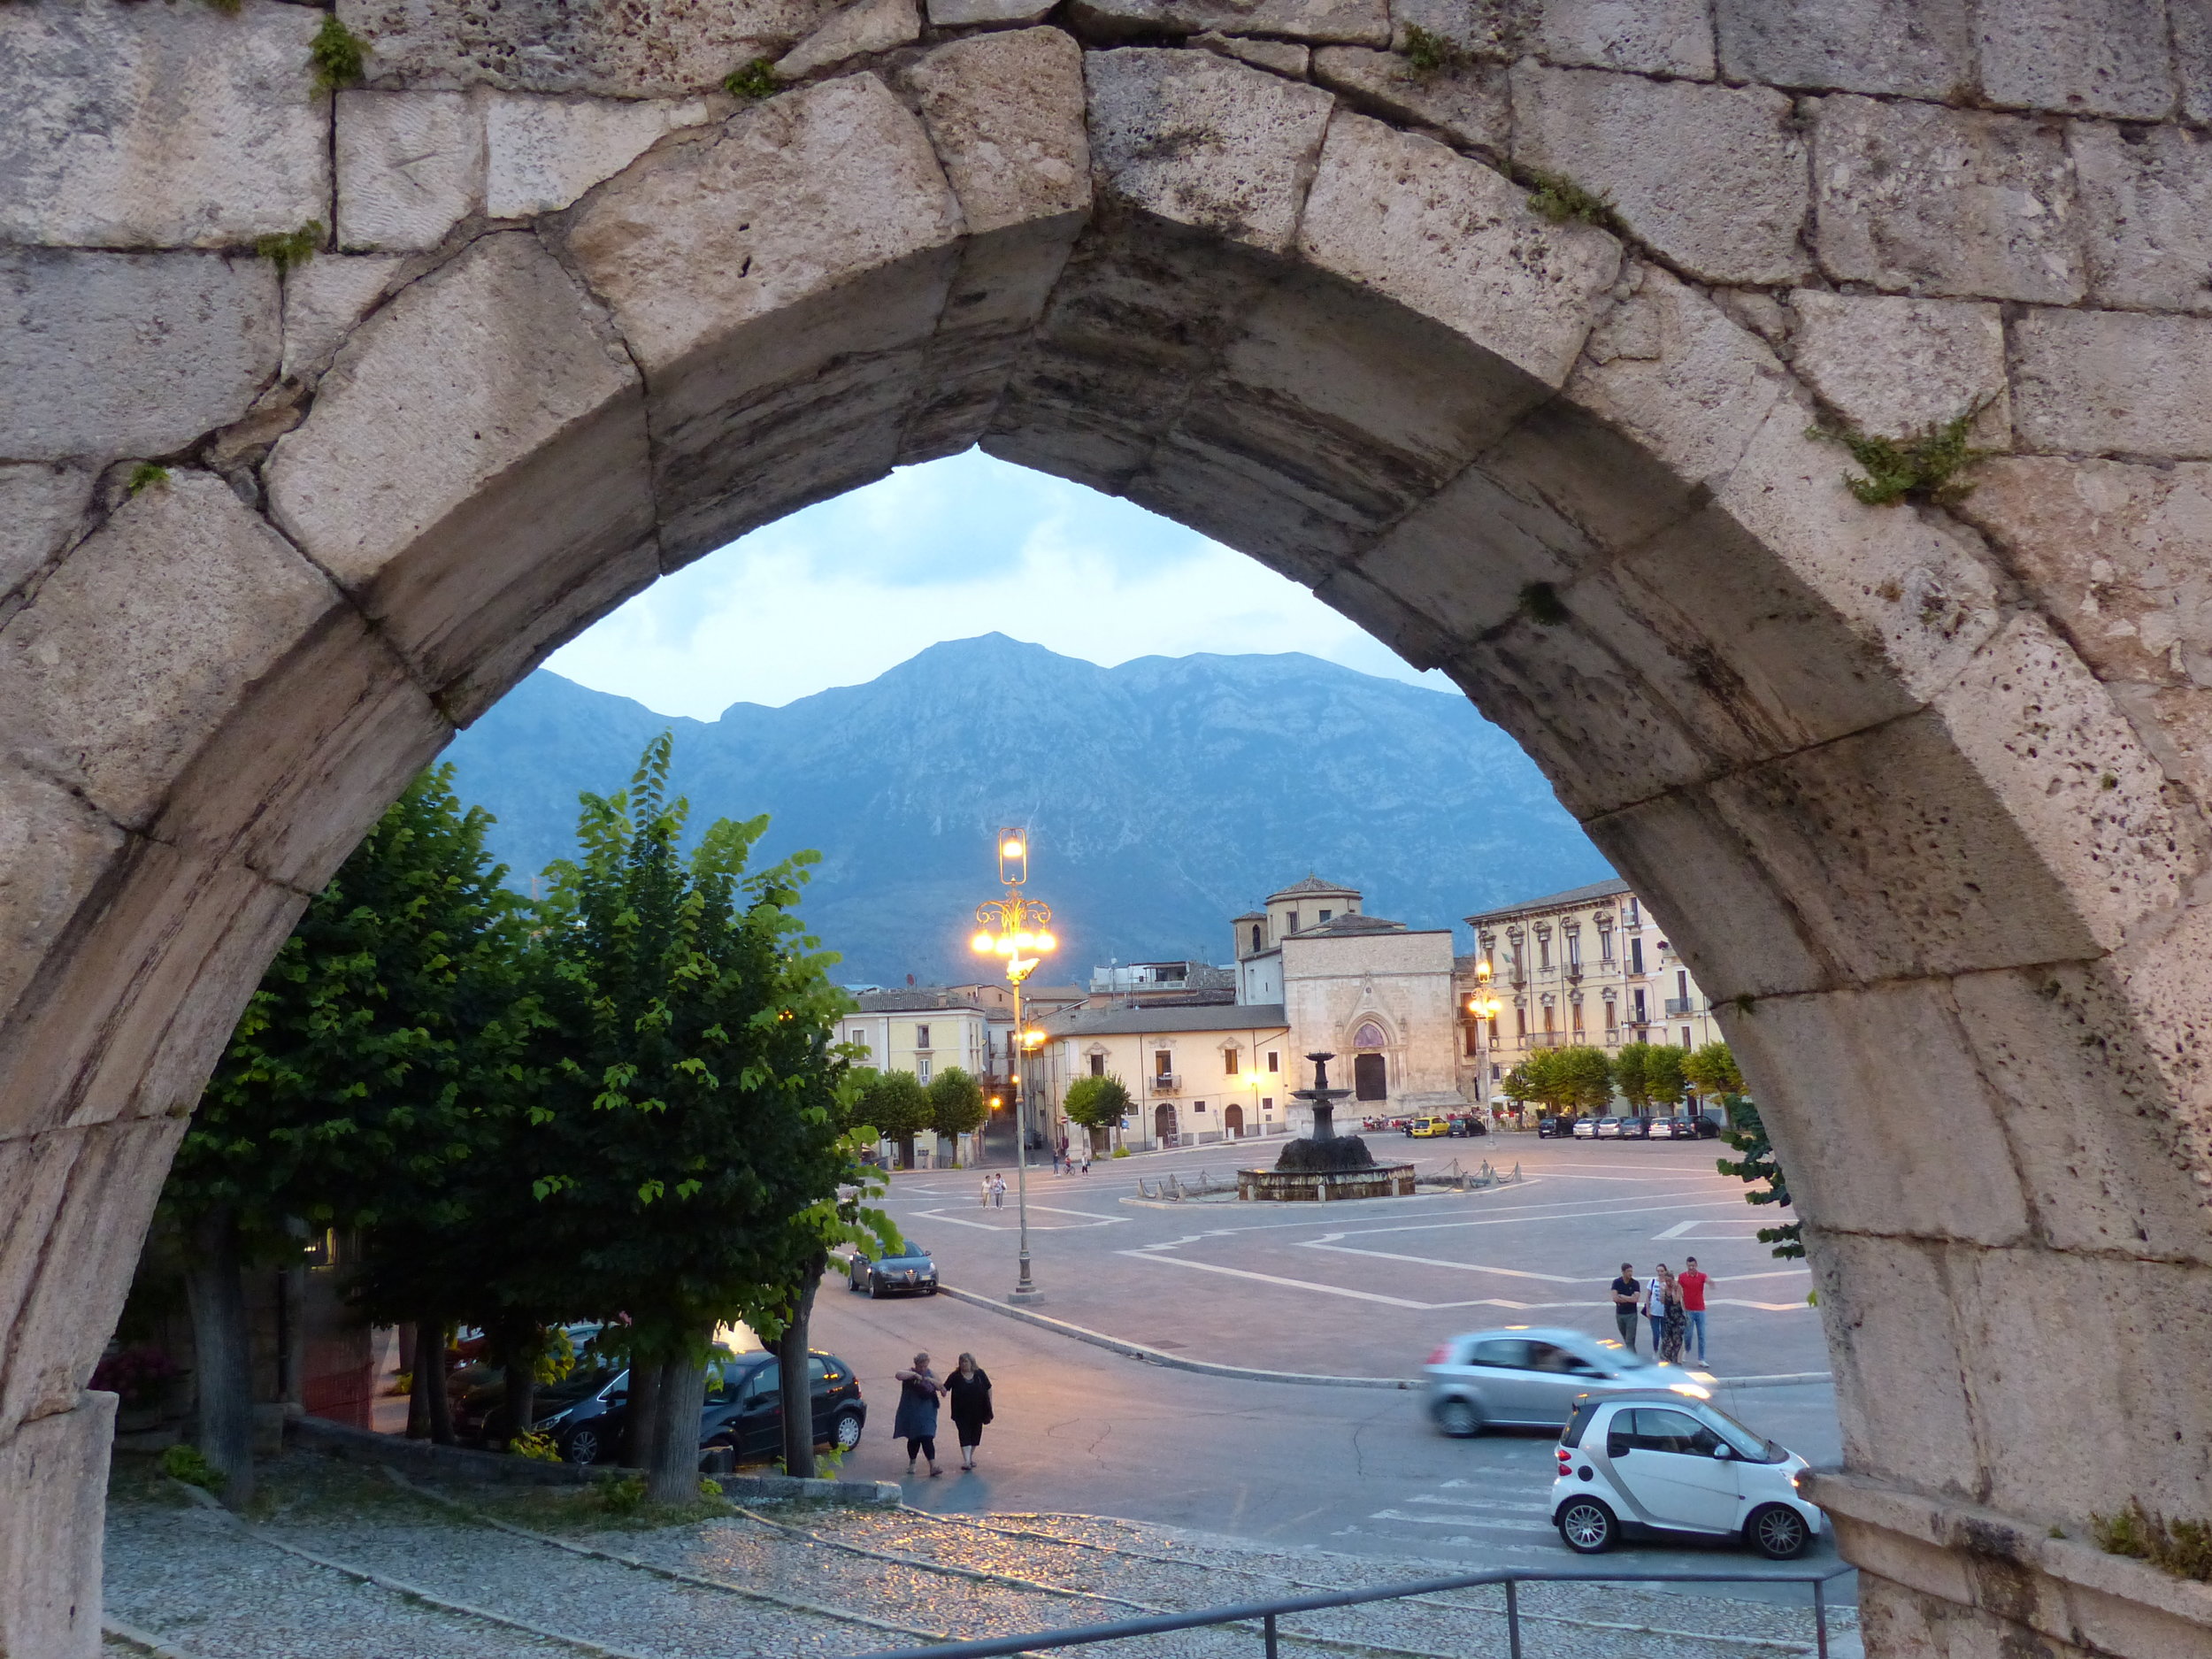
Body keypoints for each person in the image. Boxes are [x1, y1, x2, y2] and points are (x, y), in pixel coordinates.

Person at [892, 1352, 943, 1478]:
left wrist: (931, 1381)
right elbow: (898, 1375)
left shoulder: (931, 1374)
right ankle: (912, 1463)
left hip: (928, 1412)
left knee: (927, 1437)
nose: (923, 1369)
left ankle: (933, 1466)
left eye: (925, 1366)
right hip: (911, 1411)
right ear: (916, 1365)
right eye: (921, 1366)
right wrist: (915, 1375)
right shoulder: (909, 1373)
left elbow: (943, 1389)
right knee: (913, 1438)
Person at [944, 1350, 994, 1471]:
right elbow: (945, 1389)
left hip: (979, 1411)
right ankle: (966, 1461)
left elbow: (989, 1388)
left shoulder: (980, 1374)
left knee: (975, 1436)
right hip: (961, 1412)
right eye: (961, 1362)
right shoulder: (955, 1376)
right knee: (964, 1434)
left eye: (966, 1362)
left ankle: (969, 1458)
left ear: (972, 1363)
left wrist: (990, 1405)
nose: (963, 1364)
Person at [1678, 1256, 1710, 1363]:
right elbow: (1679, 1289)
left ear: (1696, 1265)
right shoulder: (1682, 1277)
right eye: (1689, 1266)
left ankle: (1701, 1358)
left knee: (1702, 1335)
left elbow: (1707, 1280)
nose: (1691, 1268)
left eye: (1693, 1265)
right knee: (1688, 1334)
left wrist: (1710, 1282)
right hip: (1688, 1310)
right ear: (1687, 1266)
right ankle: (1687, 1349)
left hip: (1700, 1309)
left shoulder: (1702, 1276)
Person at [1658, 1268, 1688, 1363]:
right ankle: (1668, 1357)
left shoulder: (1678, 1287)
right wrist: (1663, 1291)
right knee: (1666, 1340)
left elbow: (1676, 1300)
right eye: (1666, 1281)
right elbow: (1662, 1301)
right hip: (1668, 1317)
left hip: (1677, 1318)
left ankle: (1676, 1359)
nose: (1668, 1283)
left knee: (1677, 1340)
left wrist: (1673, 1290)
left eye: (1669, 1281)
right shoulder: (1664, 1287)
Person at [1609, 1263, 1641, 1350]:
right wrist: (1629, 1298)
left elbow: (1635, 1299)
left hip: (1631, 1315)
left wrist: (1622, 1296)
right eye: (1628, 1271)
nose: (1630, 1273)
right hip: (1620, 1314)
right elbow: (1615, 1298)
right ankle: (1633, 1355)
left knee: (1629, 1340)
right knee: (1626, 1338)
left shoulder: (1635, 1283)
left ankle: (1631, 1359)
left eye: (1631, 1271)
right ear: (1623, 1272)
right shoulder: (1617, 1282)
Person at [1643, 1263, 1671, 1354]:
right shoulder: (1652, 1282)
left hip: (1664, 1312)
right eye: (1658, 1271)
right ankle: (1655, 1350)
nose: (1660, 1273)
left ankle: (1663, 1352)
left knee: (1664, 1334)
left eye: (1662, 1271)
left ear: (1665, 1272)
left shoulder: (1668, 1283)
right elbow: (1647, 1297)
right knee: (1656, 1334)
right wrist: (1648, 1310)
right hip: (1654, 1312)